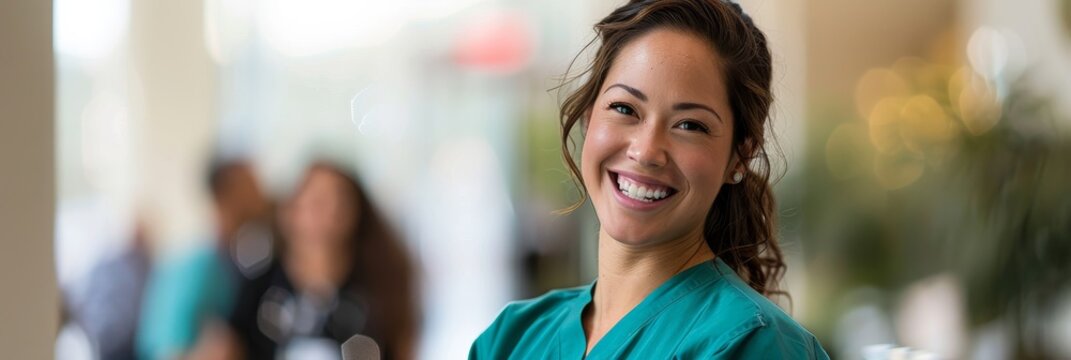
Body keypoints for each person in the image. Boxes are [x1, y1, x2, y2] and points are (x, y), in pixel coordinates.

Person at [470, 0, 830, 358]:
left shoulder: (749, 345)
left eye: (690, 125)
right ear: (587, 115)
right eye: (625, 109)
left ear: (740, 156)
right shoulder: (511, 340)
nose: (646, 151)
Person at [227, 162, 419, 360]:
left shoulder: (378, 291)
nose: (328, 213)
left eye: (338, 201)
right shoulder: (259, 285)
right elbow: (227, 345)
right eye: (317, 202)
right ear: (290, 212)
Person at [137, 159, 273, 360]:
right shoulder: (193, 268)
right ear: (226, 195)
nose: (263, 195)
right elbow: (163, 350)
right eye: (251, 186)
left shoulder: (242, 263)